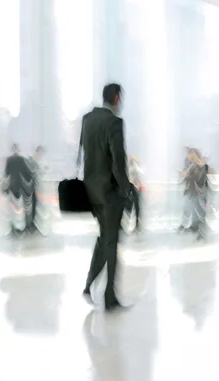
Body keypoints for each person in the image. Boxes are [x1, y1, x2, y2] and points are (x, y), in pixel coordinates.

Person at [80, 83, 131, 311]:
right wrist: (126, 188)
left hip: (91, 191)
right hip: (110, 193)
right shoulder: (114, 123)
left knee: (104, 238)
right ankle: (109, 297)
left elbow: (86, 153)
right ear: (117, 98)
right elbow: (118, 160)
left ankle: (89, 283)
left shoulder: (87, 120)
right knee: (111, 243)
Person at [3, 144, 33, 234]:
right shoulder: (21, 159)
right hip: (20, 186)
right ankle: (21, 227)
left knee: (12, 207)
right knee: (20, 207)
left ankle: (13, 227)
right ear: (17, 149)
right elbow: (27, 173)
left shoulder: (9, 159)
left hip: (12, 185)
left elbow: (6, 173)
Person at [126, 156, 143, 233]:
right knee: (136, 208)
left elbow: (133, 178)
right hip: (135, 189)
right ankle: (136, 225)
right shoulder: (135, 168)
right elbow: (135, 179)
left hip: (133, 189)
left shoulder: (132, 168)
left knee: (131, 207)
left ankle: (134, 224)